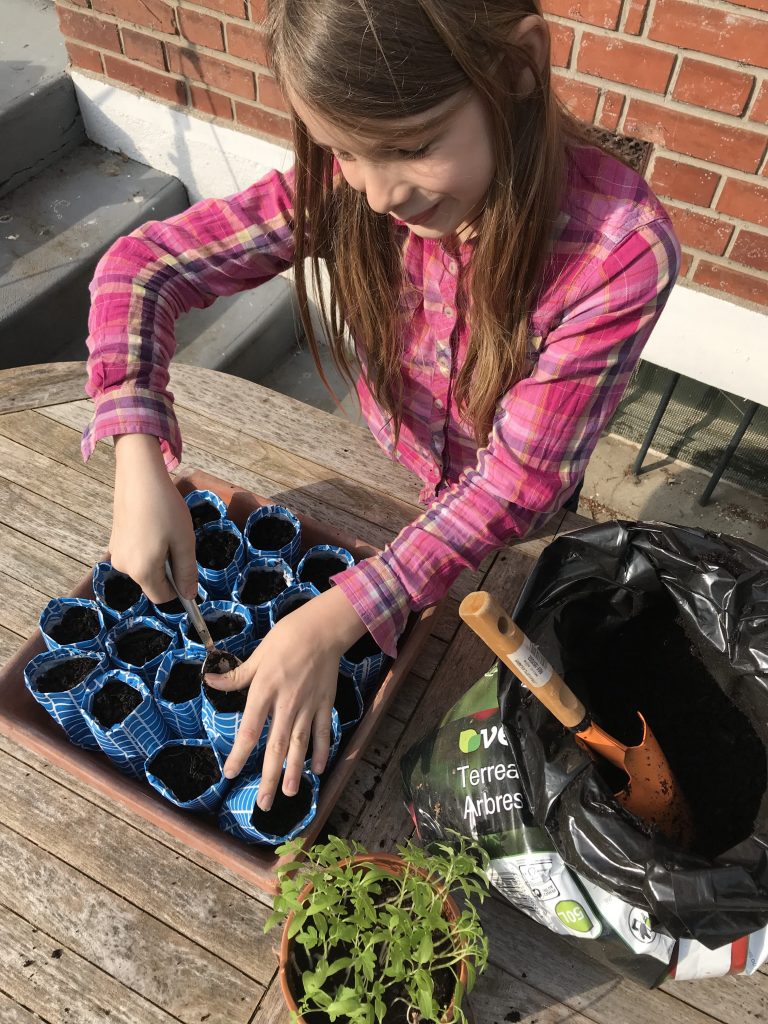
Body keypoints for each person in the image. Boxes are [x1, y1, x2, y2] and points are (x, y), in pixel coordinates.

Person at [82, 0, 680, 813]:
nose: (376, 192)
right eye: (341, 150)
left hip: (505, 533)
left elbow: (515, 487)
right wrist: (135, 452)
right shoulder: (348, 183)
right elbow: (142, 268)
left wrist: (336, 621)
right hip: (385, 459)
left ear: (517, 68)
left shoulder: (618, 251)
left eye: (412, 145)